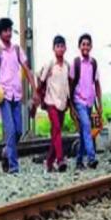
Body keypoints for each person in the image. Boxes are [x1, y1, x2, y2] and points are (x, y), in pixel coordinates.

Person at [0, 18, 38, 174]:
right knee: (10, 130)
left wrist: (35, 89)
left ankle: (6, 152)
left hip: (17, 94)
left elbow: (27, 70)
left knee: (18, 131)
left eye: (9, 30)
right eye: (5, 31)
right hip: (4, 95)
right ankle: (14, 167)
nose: (8, 33)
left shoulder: (17, 49)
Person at [69, 33, 102, 170]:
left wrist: (100, 104)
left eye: (88, 44)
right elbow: (70, 84)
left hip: (89, 102)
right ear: (79, 46)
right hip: (78, 101)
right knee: (87, 126)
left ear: (91, 46)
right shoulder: (75, 63)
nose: (86, 47)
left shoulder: (93, 63)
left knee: (84, 132)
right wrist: (71, 106)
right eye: (83, 44)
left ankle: (78, 161)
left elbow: (97, 84)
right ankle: (91, 158)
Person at [39, 35, 70, 173]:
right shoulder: (49, 64)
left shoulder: (67, 66)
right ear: (53, 48)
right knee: (56, 128)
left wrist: (69, 102)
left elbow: (68, 84)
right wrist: (39, 100)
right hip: (51, 101)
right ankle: (60, 159)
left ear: (65, 48)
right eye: (57, 46)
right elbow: (41, 81)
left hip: (62, 102)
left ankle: (49, 162)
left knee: (56, 134)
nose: (60, 48)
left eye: (62, 46)